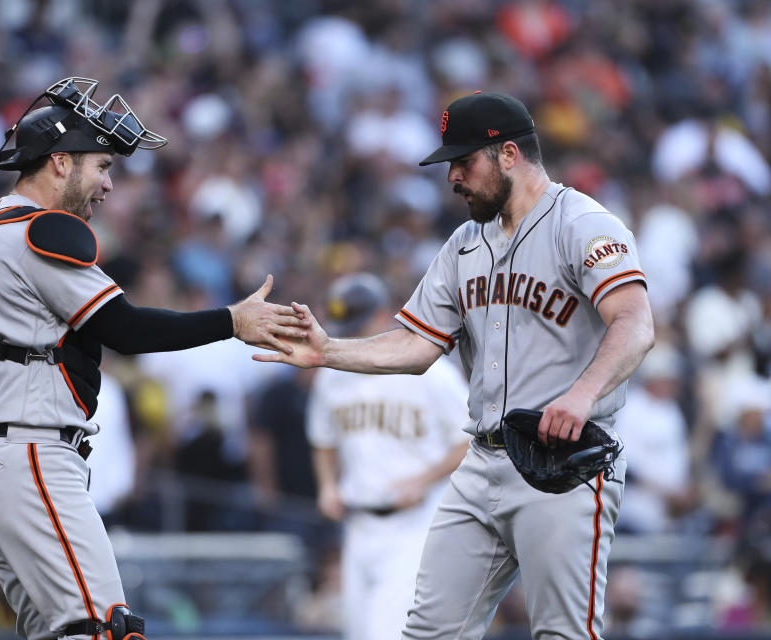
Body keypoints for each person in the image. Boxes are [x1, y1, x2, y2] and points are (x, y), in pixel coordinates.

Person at [255, 91, 655, 639]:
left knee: (561, 634)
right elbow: (417, 345)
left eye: (464, 162)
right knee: (427, 632)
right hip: (481, 464)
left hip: (565, 465)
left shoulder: (582, 223)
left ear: (508, 155)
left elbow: (635, 323)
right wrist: (330, 353)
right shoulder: (465, 244)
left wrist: (582, 394)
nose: (453, 177)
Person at [0, 77, 307, 640]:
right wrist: (233, 321)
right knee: (107, 628)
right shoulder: (40, 233)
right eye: (102, 166)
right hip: (30, 454)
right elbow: (125, 328)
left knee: (58, 633)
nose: (108, 184)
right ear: (60, 163)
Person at [305, 272, 470, 640]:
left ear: (383, 316)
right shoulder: (333, 375)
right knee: (358, 631)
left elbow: (473, 439)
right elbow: (322, 438)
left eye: (358, 322)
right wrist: (327, 485)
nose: (350, 332)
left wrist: (424, 479)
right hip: (358, 523)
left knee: (385, 632)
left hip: (415, 525)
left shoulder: (430, 373)